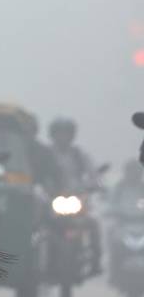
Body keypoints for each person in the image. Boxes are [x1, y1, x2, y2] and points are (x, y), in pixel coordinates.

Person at [48, 117, 103, 275]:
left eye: (66, 134)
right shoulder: (47, 155)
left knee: (93, 225)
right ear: (53, 135)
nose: (62, 137)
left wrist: (96, 185)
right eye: (59, 134)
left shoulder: (80, 155)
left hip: (77, 200)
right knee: (37, 226)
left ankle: (95, 263)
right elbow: (39, 173)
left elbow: (93, 174)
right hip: (53, 200)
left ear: (72, 135)